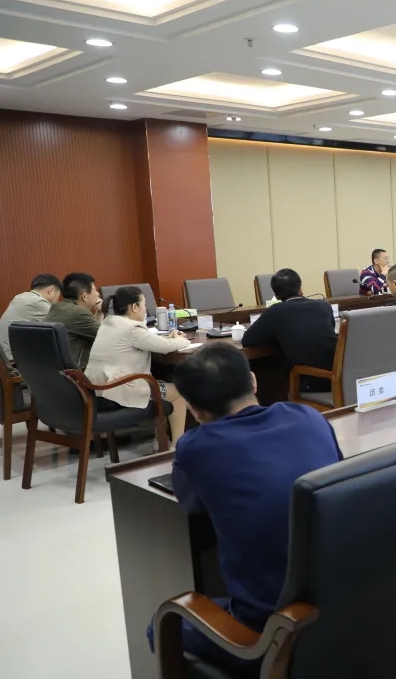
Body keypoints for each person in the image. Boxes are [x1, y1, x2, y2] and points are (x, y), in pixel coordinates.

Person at [148, 343, 342, 674]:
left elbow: (191, 504)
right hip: (341, 607)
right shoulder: (308, 416)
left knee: (159, 625)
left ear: (193, 409)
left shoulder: (196, 448)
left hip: (272, 634)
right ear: (253, 381)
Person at [85, 286, 190, 441]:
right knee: (177, 392)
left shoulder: (109, 322)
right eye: (144, 305)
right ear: (134, 307)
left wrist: (170, 339)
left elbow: (149, 342)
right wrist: (182, 340)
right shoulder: (132, 329)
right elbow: (167, 347)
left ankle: (159, 441)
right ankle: (177, 445)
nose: (145, 310)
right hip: (115, 393)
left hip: (96, 391)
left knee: (159, 383)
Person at [241, 269, 337, 392]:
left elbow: (248, 340)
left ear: (276, 296)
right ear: (301, 289)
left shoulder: (275, 311)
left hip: (306, 382)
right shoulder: (323, 305)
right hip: (336, 378)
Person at [0, 273, 62, 361]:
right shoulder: (38, 302)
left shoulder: (20, 297)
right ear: (50, 290)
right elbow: (61, 326)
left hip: (6, 355)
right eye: (59, 295)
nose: (58, 299)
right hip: (16, 358)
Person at [46, 272, 102, 369]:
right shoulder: (79, 313)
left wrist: (99, 313)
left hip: (54, 370)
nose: (98, 294)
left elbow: (93, 330)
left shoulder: (57, 307)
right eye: (95, 290)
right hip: (75, 373)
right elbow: (106, 338)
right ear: (84, 296)